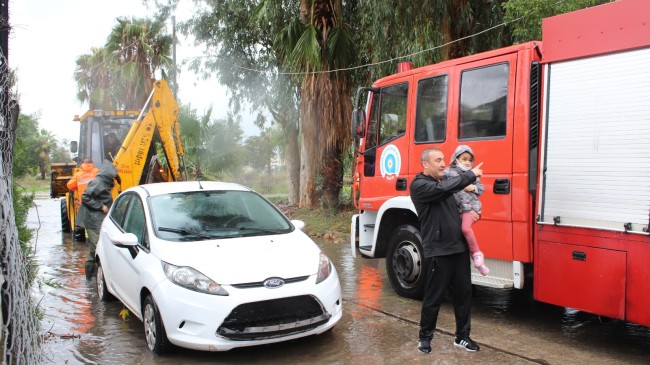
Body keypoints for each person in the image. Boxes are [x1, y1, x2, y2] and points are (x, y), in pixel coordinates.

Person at [410, 147, 483, 354]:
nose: (443, 164)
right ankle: (425, 338)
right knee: (434, 298)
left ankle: (462, 337)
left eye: (444, 160)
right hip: (438, 250)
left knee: (464, 295)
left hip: (458, 248)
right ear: (425, 164)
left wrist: (473, 215)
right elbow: (443, 191)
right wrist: (470, 175)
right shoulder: (419, 185)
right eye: (438, 160)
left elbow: (462, 207)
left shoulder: (446, 184)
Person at [445, 145, 489, 276]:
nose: (467, 163)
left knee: (465, 229)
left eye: (470, 160)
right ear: (456, 158)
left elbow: (481, 189)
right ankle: (480, 265)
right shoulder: (448, 172)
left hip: (470, 207)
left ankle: (476, 253)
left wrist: (473, 188)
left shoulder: (473, 174)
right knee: (461, 236)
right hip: (458, 209)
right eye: (464, 159)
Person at [75, 160, 118, 280]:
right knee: (95, 246)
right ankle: (91, 276)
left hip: (98, 219)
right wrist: (101, 206)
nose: (113, 179)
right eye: (112, 176)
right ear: (107, 175)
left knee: (94, 246)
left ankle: (93, 277)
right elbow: (85, 197)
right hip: (92, 220)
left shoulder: (104, 182)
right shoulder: (98, 183)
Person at [66, 158, 100, 241]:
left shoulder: (78, 175)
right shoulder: (97, 172)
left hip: (83, 203)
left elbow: (69, 186)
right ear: (92, 163)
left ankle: (88, 240)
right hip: (97, 203)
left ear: (82, 164)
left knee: (86, 222)